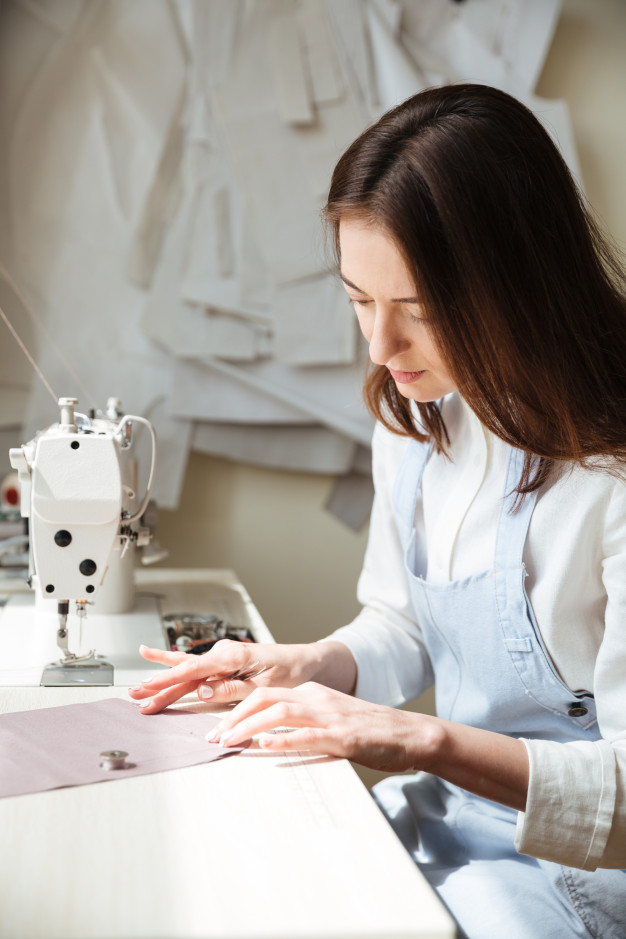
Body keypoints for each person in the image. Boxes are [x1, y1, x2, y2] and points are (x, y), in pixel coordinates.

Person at [129, 84, 626, 938]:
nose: (379, 348)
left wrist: (411, 736)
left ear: (521, 284)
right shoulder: (420, 413)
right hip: (451, 815)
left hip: (581, 878)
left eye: (420, 313)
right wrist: (306, 666)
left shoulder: (608, 478)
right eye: (360, 299)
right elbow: (401, 624)